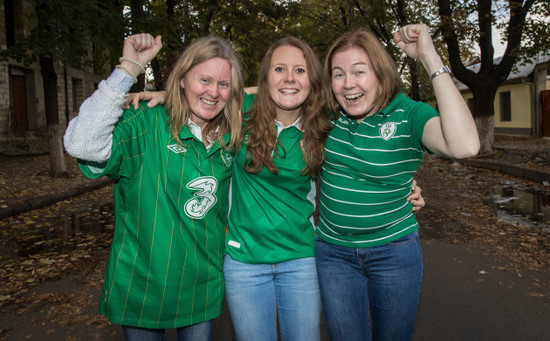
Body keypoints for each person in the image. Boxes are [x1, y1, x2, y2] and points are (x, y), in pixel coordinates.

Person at [127, 35, 426, 341]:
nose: (289, 78)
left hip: (301, 258)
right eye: (279, 69)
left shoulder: (324, 124)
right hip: (244, 263)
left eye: (300, 70)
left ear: (313, 79)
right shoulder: (239, 114)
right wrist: (169, 94)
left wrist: (403, 186)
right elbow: (209, 94)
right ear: (265, 76)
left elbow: (362, 158)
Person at [63, 33, 244, 340]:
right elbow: (80, 144)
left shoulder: (231, 138)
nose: (214, 92)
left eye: (224, 84)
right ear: (182, 79)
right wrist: (128, 68)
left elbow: (282, 95)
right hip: (142, 286)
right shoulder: (146, 123)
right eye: (204, 80)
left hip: (200, 286)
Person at [315, 24, 480, 341]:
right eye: (338, 74)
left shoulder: (407, 113)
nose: (349, 83)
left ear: (380, 72)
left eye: (359, 71)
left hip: (394, 253)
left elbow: (465, 146)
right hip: (333, 254)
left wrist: (429, 57)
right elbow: (270, 96)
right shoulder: (325, 115)